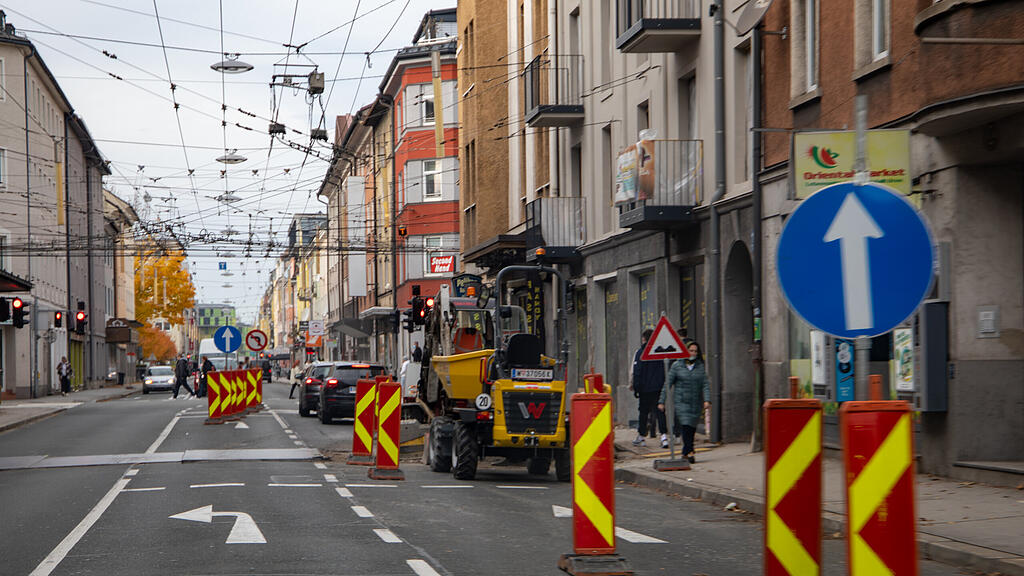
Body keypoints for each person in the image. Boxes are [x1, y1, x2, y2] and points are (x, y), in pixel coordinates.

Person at [659, 341, 711, 463]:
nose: (693, 353)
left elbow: (705, 384)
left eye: (695, 351)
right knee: (686, 425)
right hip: (681, 401)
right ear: (685, 351)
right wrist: (662, 401)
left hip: (695, 402)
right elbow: (668, 384)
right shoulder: (677, 365)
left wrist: (707, 400)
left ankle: (686, 452)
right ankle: (690, 451)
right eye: (690, 350)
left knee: (692, 427)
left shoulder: (700, 367)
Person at [629, 328, 668, 448]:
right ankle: (664, 437)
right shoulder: (660, 352)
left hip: (645, 389)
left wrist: (636, 388)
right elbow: (664, 370)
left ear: (644, 339)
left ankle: (641, 437)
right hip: (658, 388)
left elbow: (637, 372)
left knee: (643, 413)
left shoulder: (640, 352)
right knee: (660, 412)